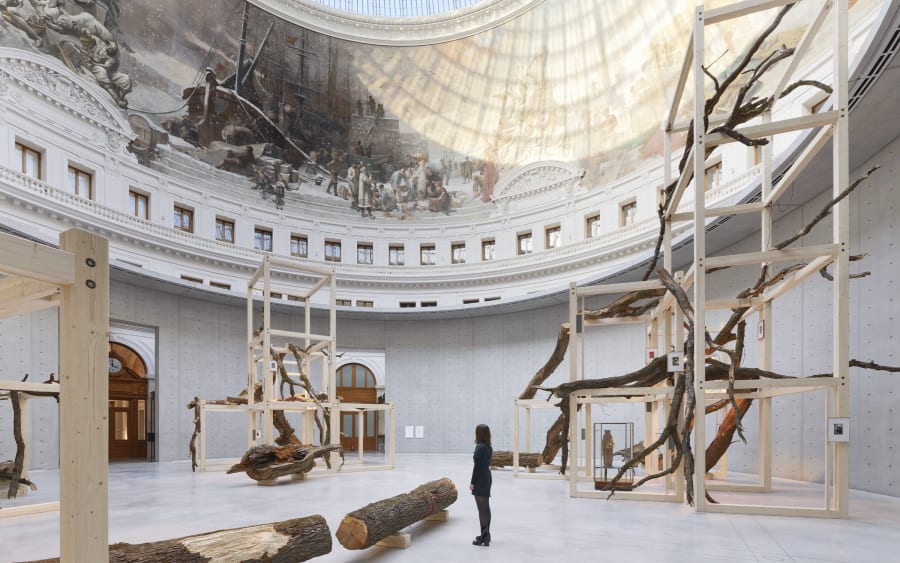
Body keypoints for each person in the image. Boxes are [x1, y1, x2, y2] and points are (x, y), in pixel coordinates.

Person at [470, 423, 492, 547]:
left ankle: (483, 536)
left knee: (482, 509)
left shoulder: (479, 447)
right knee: (486, 508)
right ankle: (486, 535)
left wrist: (472, 482)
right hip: (487, 476)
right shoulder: (488, 447)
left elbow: (477, 467)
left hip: (480, 479)